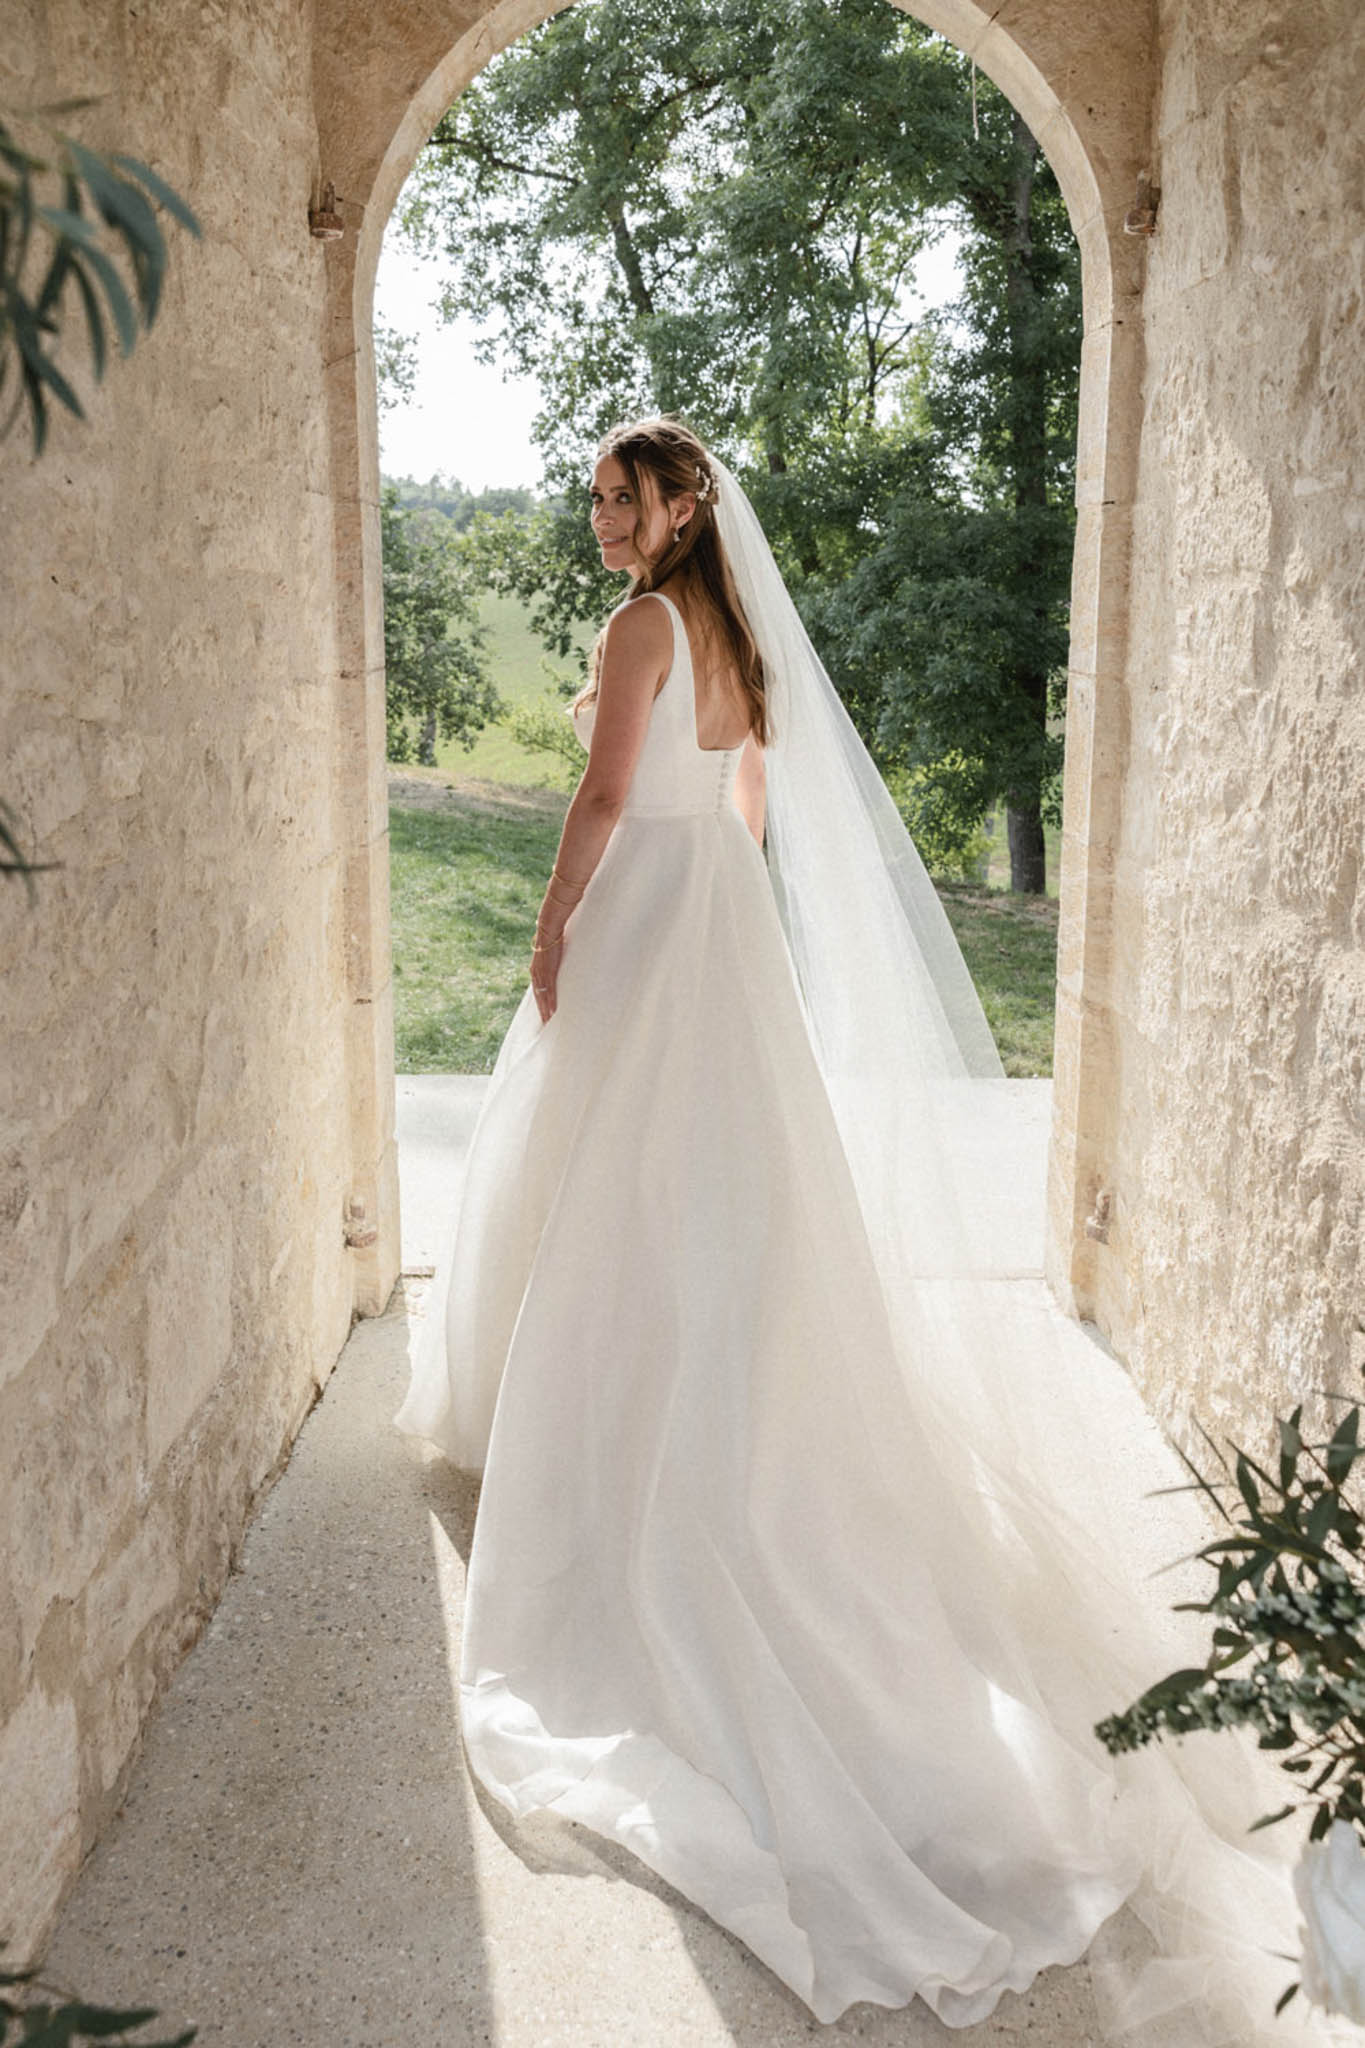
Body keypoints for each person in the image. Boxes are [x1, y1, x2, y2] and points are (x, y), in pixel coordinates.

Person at [396, 419, 1322, 2041]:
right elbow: (745, 793)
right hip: (721, 926)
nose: (606, 520)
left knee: (606, 1168)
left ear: (683, 507)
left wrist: (557, 930)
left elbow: (607, 789)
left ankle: (585, 1417)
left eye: (627, 497)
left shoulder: (636, 628)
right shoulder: (739, 629)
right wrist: (713, 909)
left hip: (646, 915)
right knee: (720, 1185)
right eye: (600, 499)